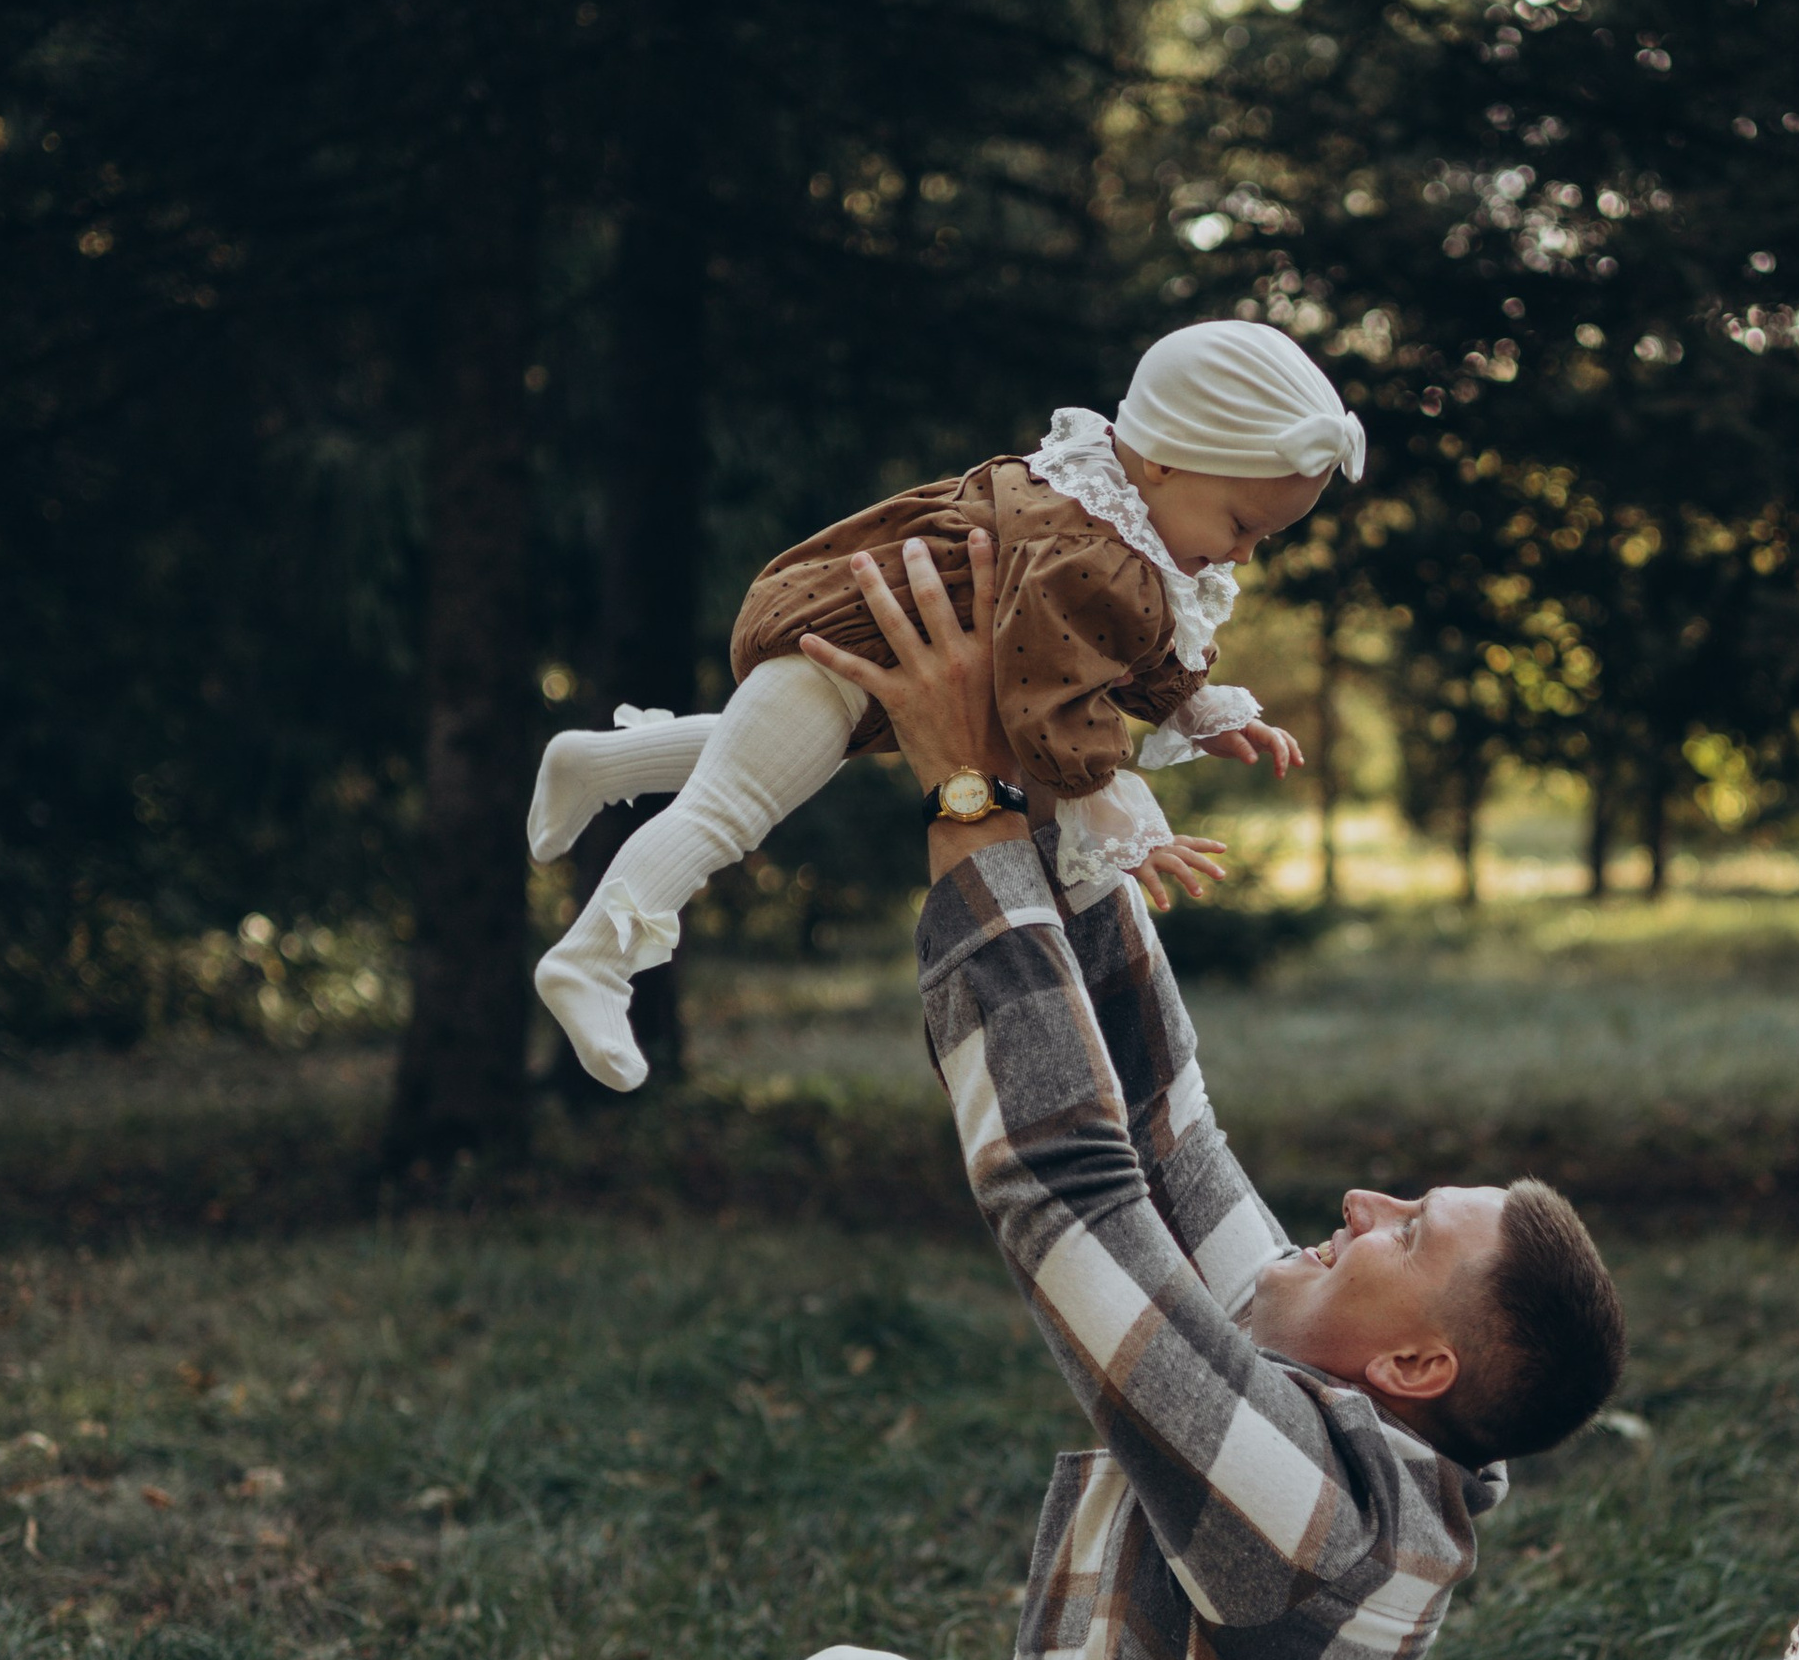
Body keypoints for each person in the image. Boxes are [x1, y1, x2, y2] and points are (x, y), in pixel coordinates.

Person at [180, 530, 1628, 1660]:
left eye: (1407, 1223)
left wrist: (959, 801)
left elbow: (1066, 1192)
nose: (1354, 1201)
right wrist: (1044, 772)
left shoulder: (1331, 1513)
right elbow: (1168, 1130)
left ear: (1418, 1359)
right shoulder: (1305, 1367)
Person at [530, 317, 1360, 1093]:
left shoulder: (1110, 514)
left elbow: (1124, 643)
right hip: (846, 642)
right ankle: (591, 959)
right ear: (1165, 461)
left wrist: (1201, 708)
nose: (1246, 552)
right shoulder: (1093, 548)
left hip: (874, 659)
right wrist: (1121, 818)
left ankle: (595, 763)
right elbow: (1054, 702)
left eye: (1265, 537)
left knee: (777, 756)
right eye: (1243, 522)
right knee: (732, 808)